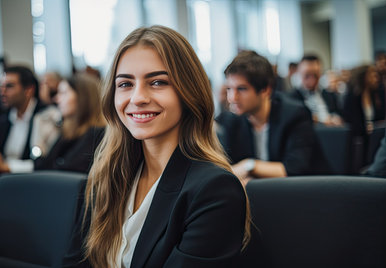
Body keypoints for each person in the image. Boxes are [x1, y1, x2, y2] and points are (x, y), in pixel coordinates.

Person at [63, 25, 250, 268]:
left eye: (158, 82)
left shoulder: (215, 190)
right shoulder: (106, 177)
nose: (138, 98)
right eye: (125, 84)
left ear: (188, 92)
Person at [216, 51, 329, 181]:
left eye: (241, 89)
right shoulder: (231, 120)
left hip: (309, 193)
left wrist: (249, 166)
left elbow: (293, 169)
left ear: (266, 89)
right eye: (229, 89)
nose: (232, 98)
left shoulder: (295, 115)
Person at [0, 66, 59, 173]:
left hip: (34, 181)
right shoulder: (3, 119)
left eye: (9, 86)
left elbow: (47, 162)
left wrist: (7, 167)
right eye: (1, 86)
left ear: (29, 90)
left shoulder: (47, 116)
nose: (2, 92)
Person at [34, 74, 106, 173]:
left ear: (83, 97)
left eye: (63, 93)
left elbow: (67, 170)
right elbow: (45, 165)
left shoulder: (97, 134)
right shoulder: (68, 132)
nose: (57, 99)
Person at [289, 54, 343, 126]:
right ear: (300, 72)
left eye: (315, 75)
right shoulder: (292, 99)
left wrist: (336, 119)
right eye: (307, 75)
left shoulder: (329, 95)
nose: (311, 79)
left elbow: (339, 114)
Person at [343, 65, 383, 138]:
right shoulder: (354, 96)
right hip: (358, 137)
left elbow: (380, 117)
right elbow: (351, 120)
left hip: (375, 135)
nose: (377, 79)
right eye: (373, 76)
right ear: (365, 77)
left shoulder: (376, 95)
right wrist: (365, 128)